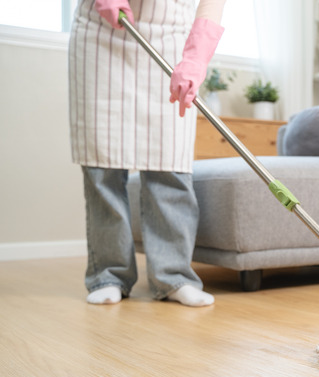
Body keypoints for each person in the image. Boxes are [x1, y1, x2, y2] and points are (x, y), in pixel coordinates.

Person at [69, 0, 227, 306]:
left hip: (170, 38)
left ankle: (173, 276)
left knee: (171, 160)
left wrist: (196, 59)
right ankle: (109, 274)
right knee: (103, 163)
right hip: (100, 34)